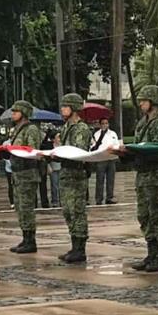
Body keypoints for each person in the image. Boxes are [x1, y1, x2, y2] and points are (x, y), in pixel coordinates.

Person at [113, 85, 158, 272]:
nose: (140, 104)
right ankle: (151, 253)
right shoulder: (143, 122)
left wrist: (132, 151)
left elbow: (155, 149)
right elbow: (140, 145)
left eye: (144, 101)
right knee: (144, 215)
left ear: (153, 102)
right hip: (143, 174)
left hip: (156, 174)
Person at [56, 93, 92, 263]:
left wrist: (60, 151)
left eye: (65, 106)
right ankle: (74, 245)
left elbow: (77, 150)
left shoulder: (81, 128)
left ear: (74, 108)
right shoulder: (66, 127)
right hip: (66, 173)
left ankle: (80, 248)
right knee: (68, 211)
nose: (62, 109)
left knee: (77, 211)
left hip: (76, 174)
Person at [6, 100, 42, 254]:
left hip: (27, 173)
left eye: (16, 111)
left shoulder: (31, 129)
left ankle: (30, 240)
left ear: (24, 113)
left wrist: (19, 151)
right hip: (17, 173)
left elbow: (33, 151)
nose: (13, 113)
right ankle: (25, 237)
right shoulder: (17, 130)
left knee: (27, 207)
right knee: (20, 208)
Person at [92, 118, 119, 204]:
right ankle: (99, 199)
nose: (104, 125)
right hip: (101, 159)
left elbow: (117, 144)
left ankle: (109, 197)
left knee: (110, 179)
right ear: (100, 125)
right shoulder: (96, 134)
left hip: (111, 158)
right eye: (103, 123)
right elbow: (94, 146)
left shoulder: (113, 133)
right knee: (100, 179)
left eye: (106, 123)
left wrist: (113, 148)